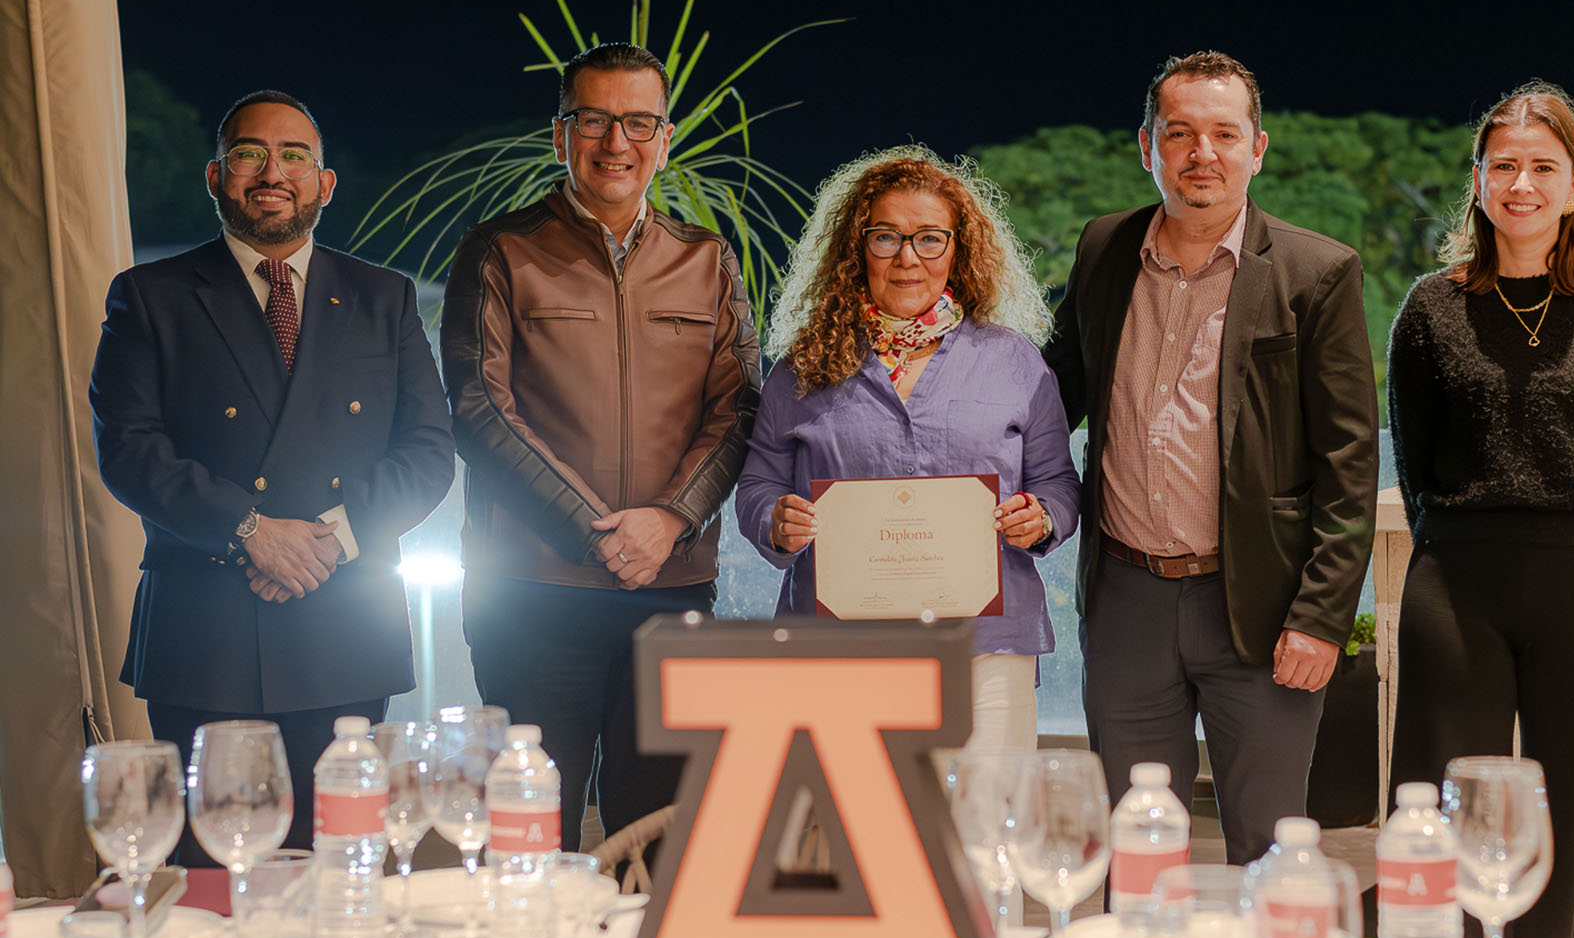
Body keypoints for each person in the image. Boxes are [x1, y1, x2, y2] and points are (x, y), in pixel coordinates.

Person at [90, 90, 456, 861]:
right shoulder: (150, 297)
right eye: (250, 153)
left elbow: (427, 449)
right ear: (217, 177)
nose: (272, 171)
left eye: (294, 155)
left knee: (342, 873)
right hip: (206, 630)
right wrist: (249, 531)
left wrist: (330, 540)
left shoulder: (382, 297)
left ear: (324, 184)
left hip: (345, 625)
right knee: (208, 879)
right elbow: (129, 448)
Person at [1043, 52, 1380, 864]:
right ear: (1146, 145)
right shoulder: (1103, 250)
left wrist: (1322, 616)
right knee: (1135, 847)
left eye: (1224, 134)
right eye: (1180, 133)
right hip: (1126, 599)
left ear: (1257, 148)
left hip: (1261, 609)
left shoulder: (1315, 272)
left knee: (1268, 852)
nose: (1202, 153)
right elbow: (1050, 398)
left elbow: (1349, 463)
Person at [441, 43, 761, 849]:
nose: (615, 142)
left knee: (657, 845)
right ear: (560, 134)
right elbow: (479, 407)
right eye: (594, 120)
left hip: (672, 593)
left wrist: (669, 520)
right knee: (528, 840)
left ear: (666, 137)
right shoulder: (498, 250)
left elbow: (740, 408)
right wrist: (596, 529)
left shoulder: (709, 261)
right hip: (529, 596)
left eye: (638, 122)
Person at [1386, 82, 1574, 938]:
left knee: (1569, 814)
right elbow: (1415, 453)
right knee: (1443, 811)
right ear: (1477, 181)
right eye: (1504, 166)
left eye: (1543, 167)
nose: (1522, 184)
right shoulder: (1432, 310)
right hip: (1456, 584)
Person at [735, 148, 1079, 750]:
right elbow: (758, 485)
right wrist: (774, 520)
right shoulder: (802, 370)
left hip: (987, 646)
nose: (907, 258)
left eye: (929, 239)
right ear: (855, 247)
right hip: (841, 647)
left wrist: (1042, 516)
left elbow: (1057, 482)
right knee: (857, 830)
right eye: (886, 237)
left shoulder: (1014, 362)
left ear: (958, 249)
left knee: (982, 827)